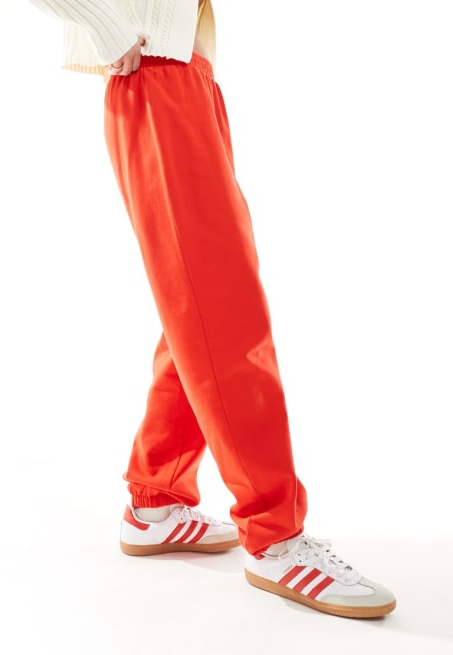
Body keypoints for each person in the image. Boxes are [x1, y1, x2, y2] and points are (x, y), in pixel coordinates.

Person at [26, 0, 396, 619]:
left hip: (189, 77)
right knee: (225, 312)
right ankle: (275, 537)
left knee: (198, 306)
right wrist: (108, 29)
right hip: (156, 75)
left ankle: (156, 501)